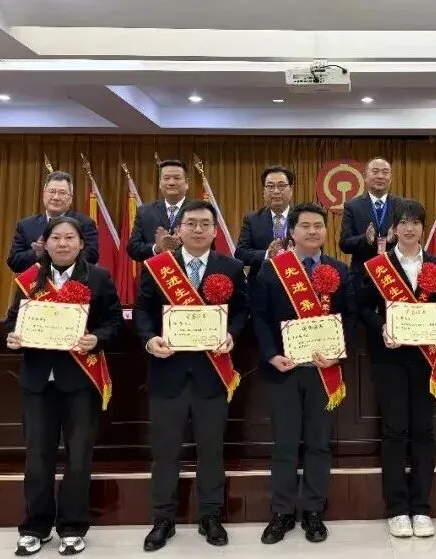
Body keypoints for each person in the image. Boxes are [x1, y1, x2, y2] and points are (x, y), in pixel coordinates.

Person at [133, 200, 249, 552]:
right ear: (178, 229)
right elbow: (142, 310)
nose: (198, 230)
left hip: (211, 374)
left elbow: (241, 310)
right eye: (191, 223)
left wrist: (232, 334)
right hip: (167, 372)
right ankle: (162, 519)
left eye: (205, 224)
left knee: (211, 450)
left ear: (215, 231)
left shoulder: (230, 267)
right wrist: (149, 339)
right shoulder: (158, 267)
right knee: (165, 452)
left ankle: (211, 516)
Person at [4, 216, 122, 556]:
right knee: (38, 457)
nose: (63, 244)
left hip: (80, 381)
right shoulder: (29, 278)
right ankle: (35, 527)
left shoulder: (98, 277)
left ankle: (72, 527)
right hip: (38, 382)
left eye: (70, 238)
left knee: (79, 457)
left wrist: (97, 338)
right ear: (45, 243)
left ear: (81, 244)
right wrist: (11, 336)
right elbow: (12, 321)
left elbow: (113, 321)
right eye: (56, 238)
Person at [252, 202, 356, 545]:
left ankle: (313, 510)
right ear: (292, 232)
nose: (313, 231)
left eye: (318, 226)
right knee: (284, 443)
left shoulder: (338, 269)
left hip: (324, 372)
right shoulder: (273, 270)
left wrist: (337, 353)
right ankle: (282, 512)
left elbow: (350, 316)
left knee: (318, 443)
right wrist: (272, 355)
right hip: (285, 370)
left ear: (326, 231)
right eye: (305, 226)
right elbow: (260, 317)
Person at [358, 199, 436, 538]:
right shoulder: (377, 266)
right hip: (391, 359)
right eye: (403, 222)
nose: (409, 228)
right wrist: (382, 327)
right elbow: (363, 308)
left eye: (415, 222)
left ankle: (422, 508)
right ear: (394, 228)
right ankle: (397, 508)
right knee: (395, 431)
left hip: (427, 358)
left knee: (424, 432)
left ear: (423, 227)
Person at [7, 171, 98, 273]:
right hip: (37, 282)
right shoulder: (26, 225)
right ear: (43, 194)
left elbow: (92, 257)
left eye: (62, 193)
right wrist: (37, 252)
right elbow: (14, 262)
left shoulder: (85, 223)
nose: (56, 197)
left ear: (70, 198)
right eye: (52, 191)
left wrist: (62, 254)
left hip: (73, 281)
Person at [339, 157, 403, 283]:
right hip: (361, 277)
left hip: (394, 277)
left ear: (390, 179)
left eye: (385, 172)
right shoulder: (352, 206)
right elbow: (345, 244)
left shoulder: (402, 205)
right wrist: (365, 239)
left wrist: (395, 239)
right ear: (365, 177)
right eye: (375, 172)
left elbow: (411, 241)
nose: (380, 176)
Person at [234, 165, 295, 293]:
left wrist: (296, 254)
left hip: (295, 285)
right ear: (264, 191)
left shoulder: (301, 218)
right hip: (260, 288)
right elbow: (241, 253)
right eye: (270, 186)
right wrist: (267, 254)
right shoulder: (252, 219)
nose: (276, 191)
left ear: (291, 189)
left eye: (281, 186)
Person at [127, 159, 194, 262]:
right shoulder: (144, 212)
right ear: (160, 183)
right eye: (166, 178)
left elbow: (208, 249)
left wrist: (182, 244)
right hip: (154, 271)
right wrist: (157, 248)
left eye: (177, 178)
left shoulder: (199, 211)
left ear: (187, 183)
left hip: (187, 272)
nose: (171, 183)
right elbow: (133, 249)